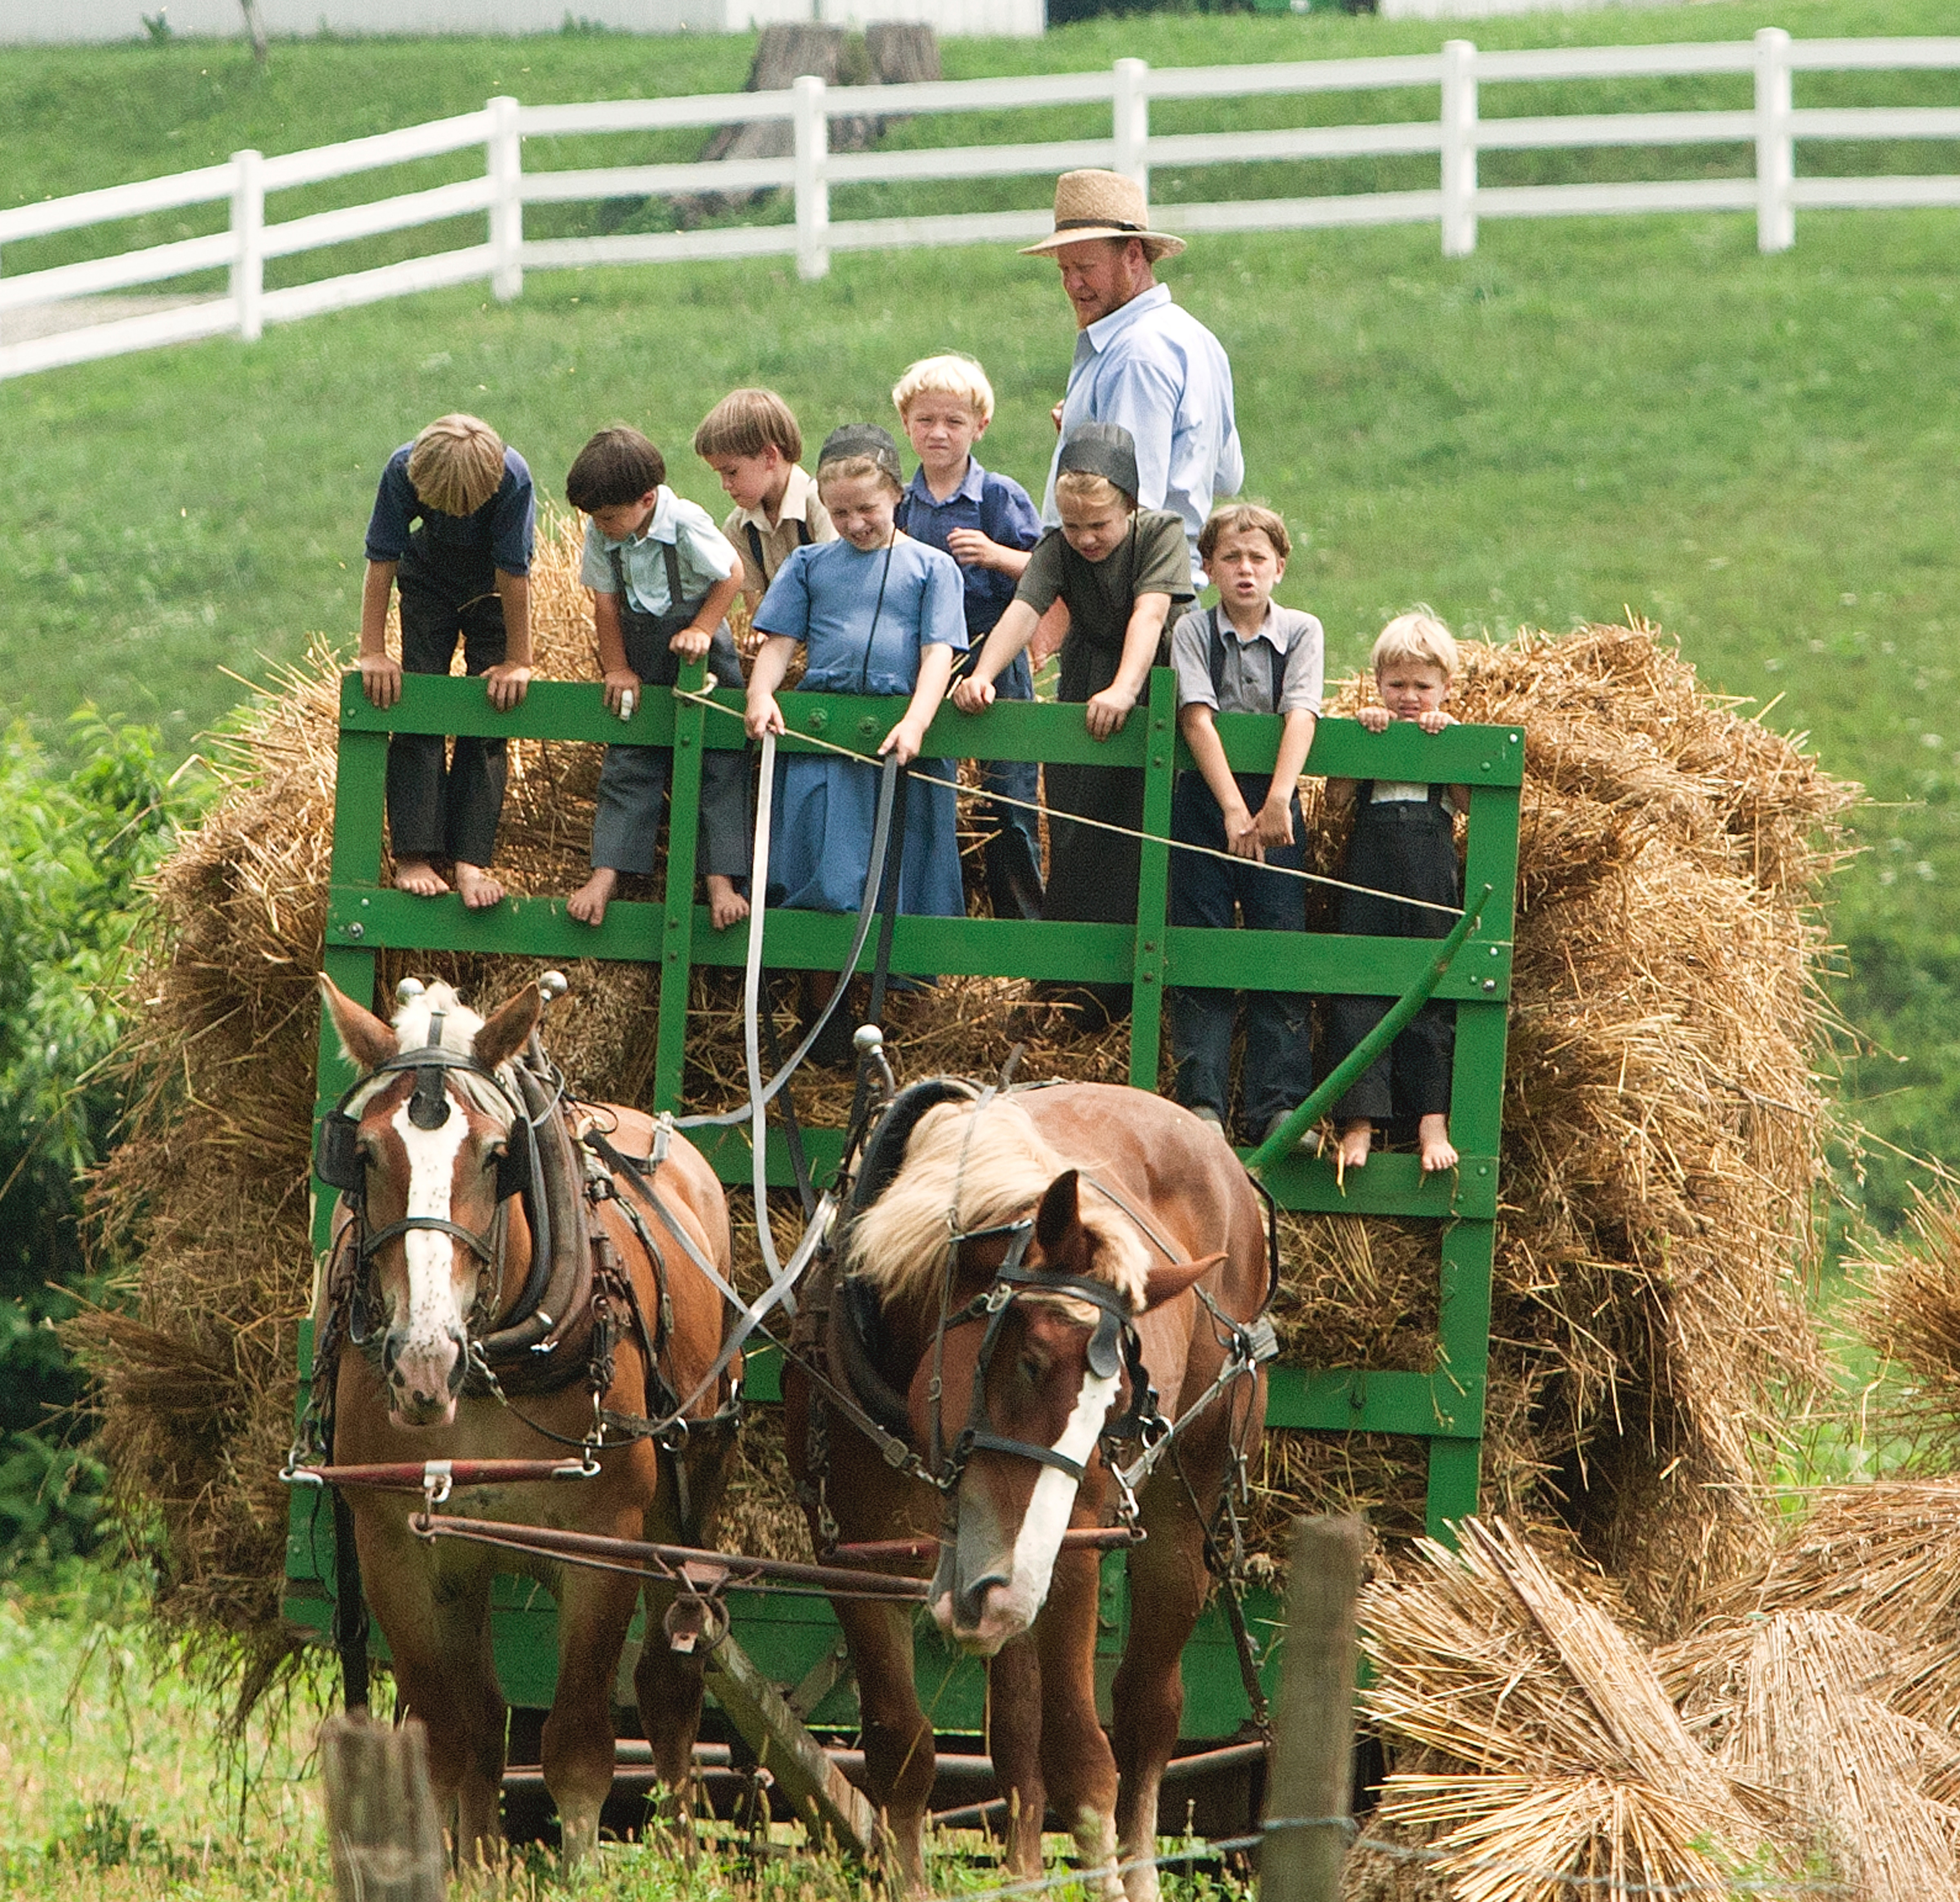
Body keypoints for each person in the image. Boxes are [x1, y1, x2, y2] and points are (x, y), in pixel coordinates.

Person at [953, 423, 1193, 1028]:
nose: (1086, 538)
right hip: (1085, 679)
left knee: (1145, 833)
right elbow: (1024, 609)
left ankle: (1141, 999)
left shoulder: (1160, 533)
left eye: (1100, 525)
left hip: (1157, 681)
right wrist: (983, 673)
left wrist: (1126, 688)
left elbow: (1150, 613)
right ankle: (1071, 995)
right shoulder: (1059, 547)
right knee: (1078, 828)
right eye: (1075, 524)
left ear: (1130, 507)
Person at [744, 426, 967, 1064]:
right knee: (825, 876)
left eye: (867, 509)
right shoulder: (811, 565)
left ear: (896, 495)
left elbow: (936, 655)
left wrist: (918, 721)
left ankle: (909, 1028)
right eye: (840, 512)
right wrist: (763, 695)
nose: (855, 523)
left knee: (910, 874)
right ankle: (824, 1018)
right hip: (824, 746)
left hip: (899, 748)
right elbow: (780, 643)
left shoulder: (932, 568)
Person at [1167, 505, 1323, 1149]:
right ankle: (1201, 1101)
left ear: (1280, 568)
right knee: (1201, 942)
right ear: (1208, 567)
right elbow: (1197, 719)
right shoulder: (1192, 630)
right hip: (1208, 799)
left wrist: (1277, 801)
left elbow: (1303, 715)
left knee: (1278, 940)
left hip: (1276, 801)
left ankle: (1278, 1104)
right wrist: (1232, 808)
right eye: (1231, 559)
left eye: (1258, 559)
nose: (1245, 570)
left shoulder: (1304, 630)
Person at [562, 425, 752, 933]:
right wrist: (617, 668)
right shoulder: (603, 533)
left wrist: (703, 630)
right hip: (642, 651)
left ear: (647, 500)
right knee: (629, 759)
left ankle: (720, 882)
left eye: (607, 518)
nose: (600, 528)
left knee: (720, 763)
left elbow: (731, 574)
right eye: (594, 520)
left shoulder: (685, 522)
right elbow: (605, 602)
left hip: (702, 653)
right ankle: (607, 875)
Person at [1022, 169, 1243, 587]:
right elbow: (1227, 475)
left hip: (1123, 600)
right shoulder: (1196, 338)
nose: (1073, 284)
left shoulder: (1135, 354)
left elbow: (1132, 506)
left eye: (1086, 267)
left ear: (1134, 255)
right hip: (1168, 590)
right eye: (1064, 270)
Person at [891, 352, 1046, 922]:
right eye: (926, 420)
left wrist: (997, 554)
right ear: (906, 424)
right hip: (923, 659)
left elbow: (1049, 571)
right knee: (933, 793)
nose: (939, 433)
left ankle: (1023, 939)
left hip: (996, 654)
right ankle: (938, 927)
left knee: (1009, 797)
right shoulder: (899, 504)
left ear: (980, 426)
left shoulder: (999, 497)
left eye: (954, 422)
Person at [359, 413, 535, 908]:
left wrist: (519, 659)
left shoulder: (513, 479)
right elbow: (381, 562)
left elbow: (515, 574)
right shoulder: (402, 469)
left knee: (490, 710)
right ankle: (414, 854)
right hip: (427, 579)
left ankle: (470, 859)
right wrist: (373, 651)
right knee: (419, 700)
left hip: (492, 588)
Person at [1324, 610, 1471, 1176]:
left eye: (1422, 687)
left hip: (1431, 885)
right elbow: (1336, 800)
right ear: (1378, 684)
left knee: (1429, 994)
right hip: (1368, 883)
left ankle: (1430, 1116)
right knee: (1358, 993)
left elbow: (1470, 803)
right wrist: (1362, 742)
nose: (1408, 698)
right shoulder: (1371, 729)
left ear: (1445, 689)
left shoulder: (1447, 732)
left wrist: (1448, 745)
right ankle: (1359, 1119)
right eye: (1397, 685)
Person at [693, 387, 836, 613]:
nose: (725, 485)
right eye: (719, 474)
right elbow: (759, 613)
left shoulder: (823, 504)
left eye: (731, 473)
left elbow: (835, 590)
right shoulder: (739, 528)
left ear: (770, 457)